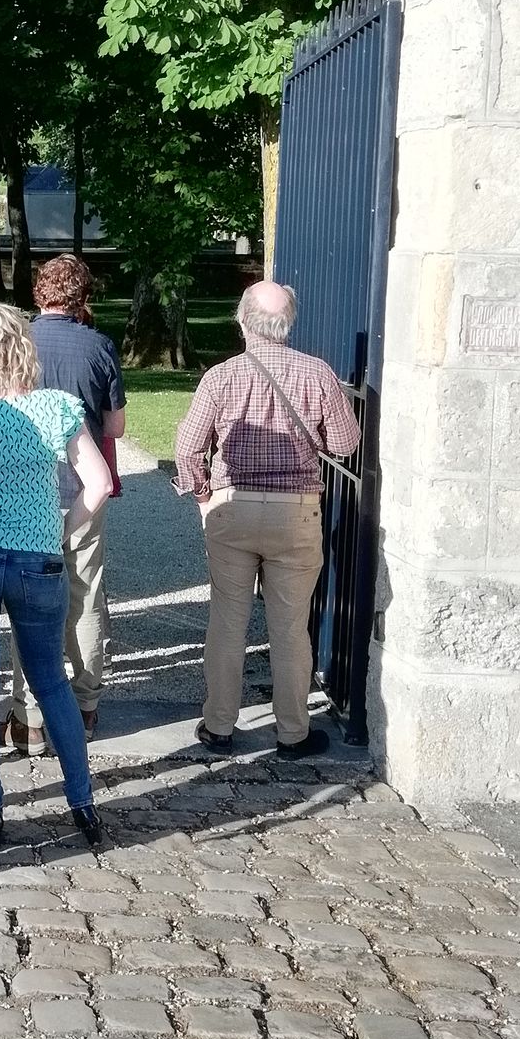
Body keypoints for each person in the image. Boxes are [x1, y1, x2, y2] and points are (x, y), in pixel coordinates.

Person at [0, 301, 114, 850]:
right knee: (50, 679)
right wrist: (60, 530)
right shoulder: (58, 407)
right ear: (25, 349)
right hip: (39, 560)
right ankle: (82, 802)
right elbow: (99, 484)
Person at [174, 280, 360, 757]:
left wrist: (203, 495)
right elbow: (345, 443)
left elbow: (188, 447)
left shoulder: (221, 377)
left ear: (242, 321)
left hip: (233, 507)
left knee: (227, 621)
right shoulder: (317, 373)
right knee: (290, 627)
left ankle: (219, 726)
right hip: (295, 512)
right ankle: (293, 732)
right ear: (288, 324)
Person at [9, 255, 128, 745]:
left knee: (28, 598)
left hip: (23, 489)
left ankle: (29, 715)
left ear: (39, 292)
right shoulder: (99, 346)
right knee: (84, 593)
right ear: (84, 296)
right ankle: (84, 706)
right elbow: (115, 426)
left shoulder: (17, 342)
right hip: (83, 484)